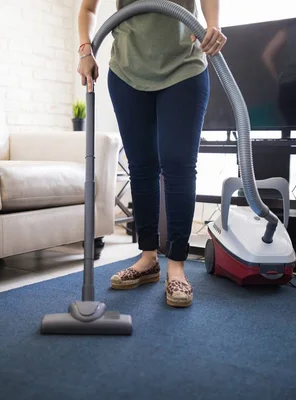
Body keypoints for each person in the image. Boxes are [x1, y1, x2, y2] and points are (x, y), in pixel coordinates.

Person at [77, 0, 227, 308]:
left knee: (178, 165)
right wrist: (85, 50)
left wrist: (212, 24)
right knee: (141, 167)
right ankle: (147, 259)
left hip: (183, 68)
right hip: (128, 72)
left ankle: (176, 266)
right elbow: (88, 8)